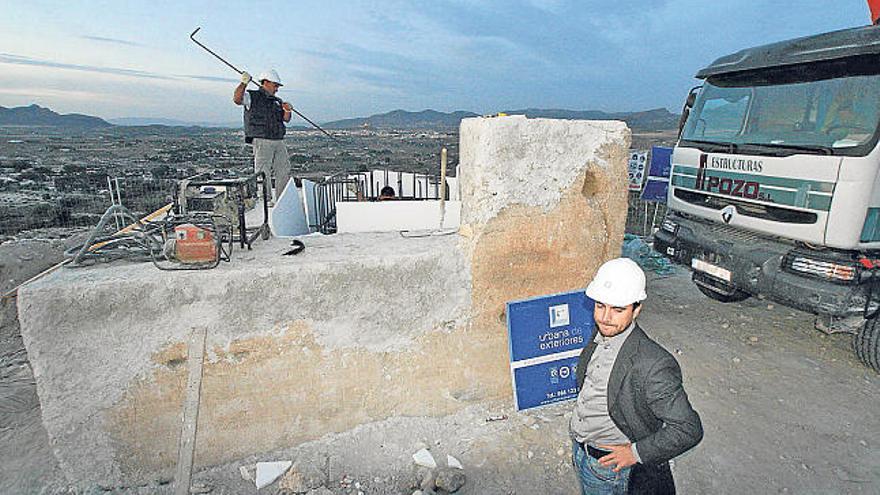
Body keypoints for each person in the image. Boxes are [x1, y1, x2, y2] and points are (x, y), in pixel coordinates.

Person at [570, 258, 703, 495]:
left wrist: (635, 453)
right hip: (582, 452)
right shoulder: (603, 333)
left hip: (608, 468)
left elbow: (688, 428)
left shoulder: (653, 364)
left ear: (637, 309)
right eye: (600, 306)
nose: (605, 317)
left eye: (618, 309)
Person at [233, 69, 292, 202]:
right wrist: (243, 84)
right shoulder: (251, 96)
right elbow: (237, 99)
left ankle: (282, 199)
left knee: (284, 170)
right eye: (275, 85)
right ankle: (266, 200)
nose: (277, 89)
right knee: (262, 171)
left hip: (278, 139)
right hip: (262, 139)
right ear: (265, 82)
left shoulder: (277, 101)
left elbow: (285, 119)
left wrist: (287, 111)